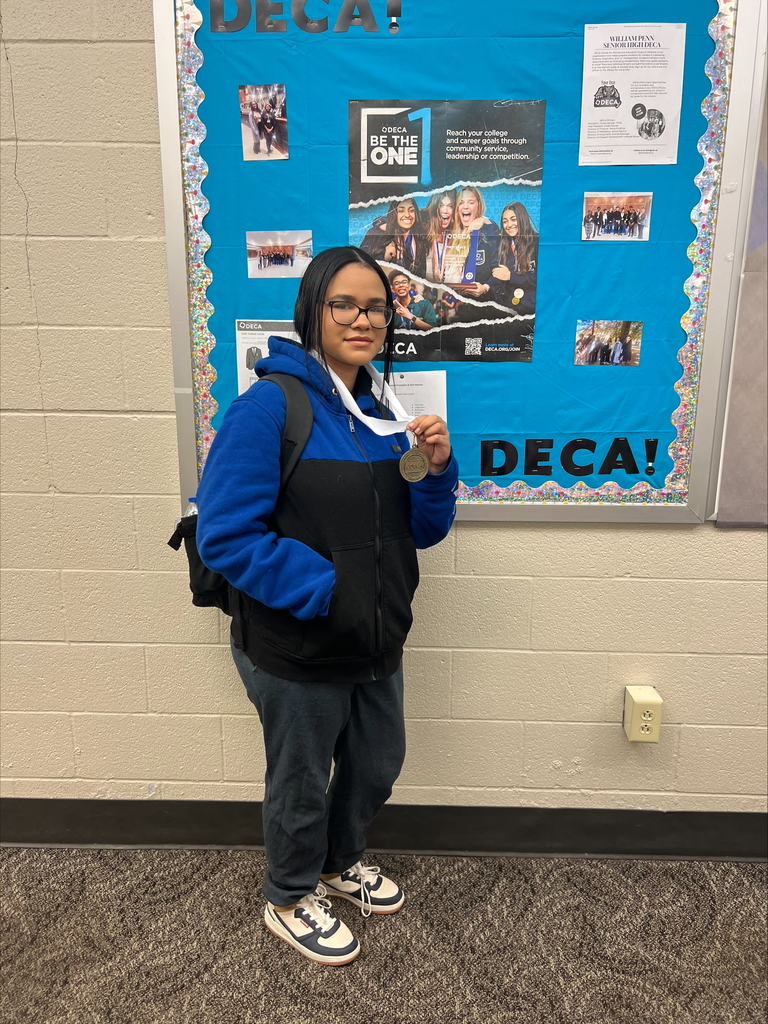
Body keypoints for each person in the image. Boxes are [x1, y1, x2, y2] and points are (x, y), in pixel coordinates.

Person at [196, 246, 457, 967]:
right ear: (312, 310)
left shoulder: (383, 409)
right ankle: (288, 893)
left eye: (374, 306)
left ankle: (341, 863)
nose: (361, 318)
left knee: (377, 762)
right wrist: (326, 591)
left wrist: (435, 470)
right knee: (302, 777)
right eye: (343, 303)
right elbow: (224, 534)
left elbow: (423, 530)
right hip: (297, 641)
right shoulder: (269, 407)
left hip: (375, 635)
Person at [442, 186, 499, 298]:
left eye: (471, 202)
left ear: (479, 206)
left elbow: (498, 269)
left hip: (482, 301)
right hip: (457, 301)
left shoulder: (488, 231)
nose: (466, 207)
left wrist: (486, 287)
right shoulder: (451, 233)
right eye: (461, 203)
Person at [484, 202, 538, 314]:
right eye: (505, 221)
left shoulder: (537, 242)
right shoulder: (504, 244)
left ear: (522, 219)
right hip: (508, 307)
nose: (509, 225)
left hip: (532, 308)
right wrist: (485, 287)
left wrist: (510, 276)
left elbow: (541, 278)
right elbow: (499, 274)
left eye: (513, 219)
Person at [360, 197, 426, 279]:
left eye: (411, 210)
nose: (407, 215)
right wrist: (384, 258)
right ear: (394, 213)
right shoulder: (376, 235)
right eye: (401, 211)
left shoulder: (421, 241)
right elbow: (361, 267)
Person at [422, 190, 456, 282]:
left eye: (450, 206)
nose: (445, 211)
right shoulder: (422, 229)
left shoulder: (456, 235)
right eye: (441, 205)